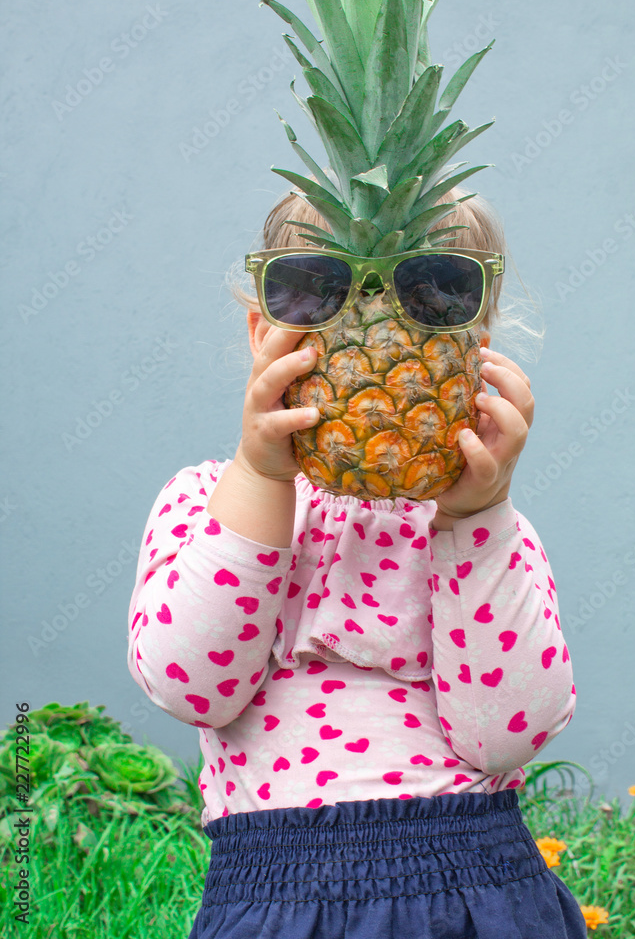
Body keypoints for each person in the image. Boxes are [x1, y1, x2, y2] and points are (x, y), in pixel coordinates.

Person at [127, 185, 587, 938]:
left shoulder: (491, 531)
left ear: (476, 341)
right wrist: (259, 476)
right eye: (316, 288)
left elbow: (506, 734)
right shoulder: (205, 499)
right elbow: (196, 687)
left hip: (479, 888)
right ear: (259, 329)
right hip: (275, 893)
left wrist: (475, 516)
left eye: (435, 290)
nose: (374, 331)